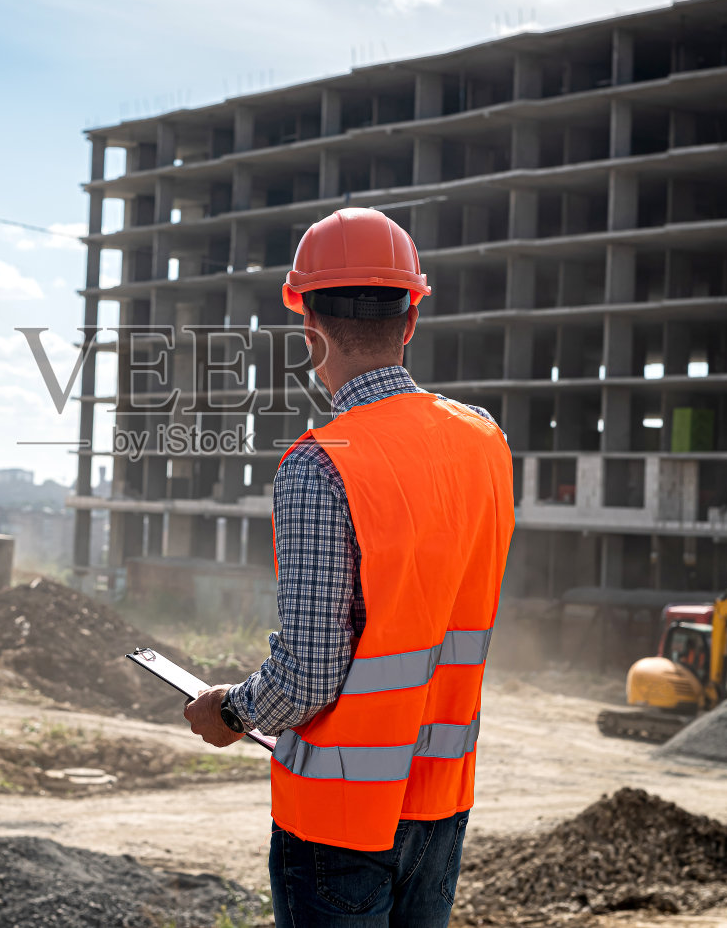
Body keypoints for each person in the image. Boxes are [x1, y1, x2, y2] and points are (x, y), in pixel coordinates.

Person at [185, 207, 515, 927]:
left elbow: (307, 677)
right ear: (411, 321)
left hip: (341, 823)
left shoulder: (322, 465)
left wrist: (230, 713)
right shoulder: (485, 443)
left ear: (309, 330)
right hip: (440, 805)